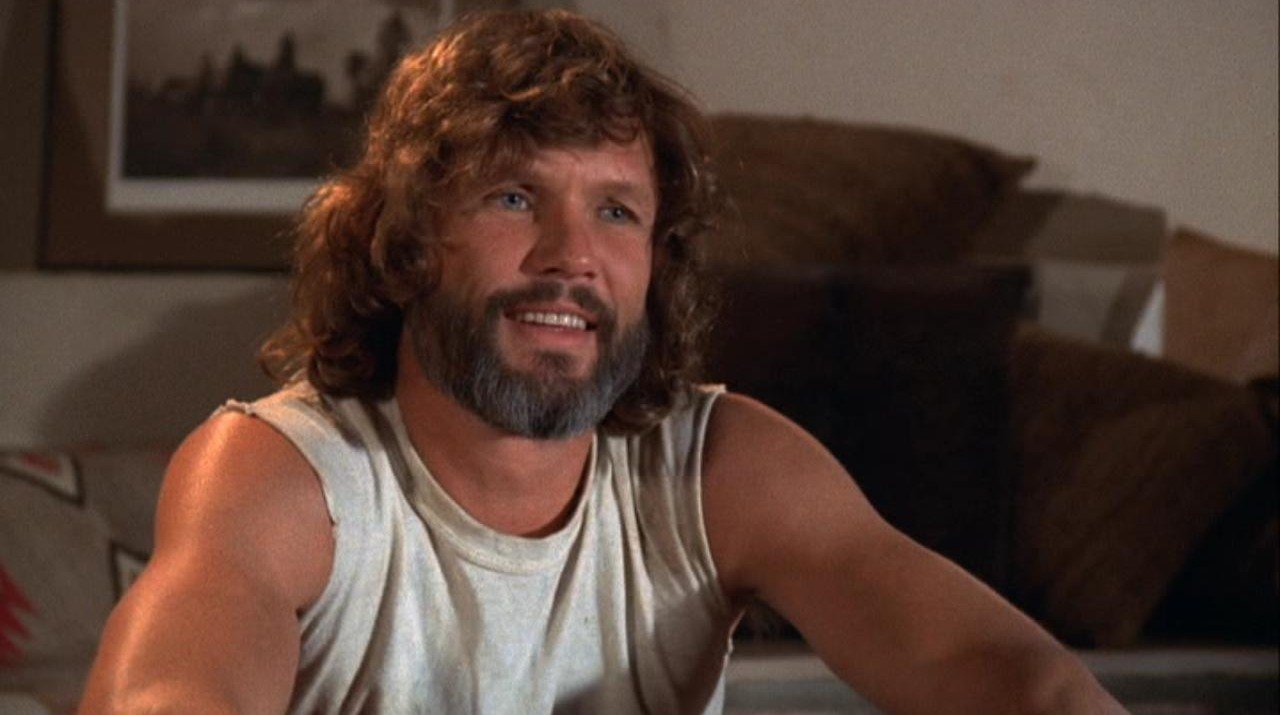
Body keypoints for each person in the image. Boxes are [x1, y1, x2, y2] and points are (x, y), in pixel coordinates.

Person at [79, 9, 1126, 715]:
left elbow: (1016, 678)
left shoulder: (723, 470)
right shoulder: (284, 477)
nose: (571, 256)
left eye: (616, 211)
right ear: (405, 244)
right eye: (513, 197)